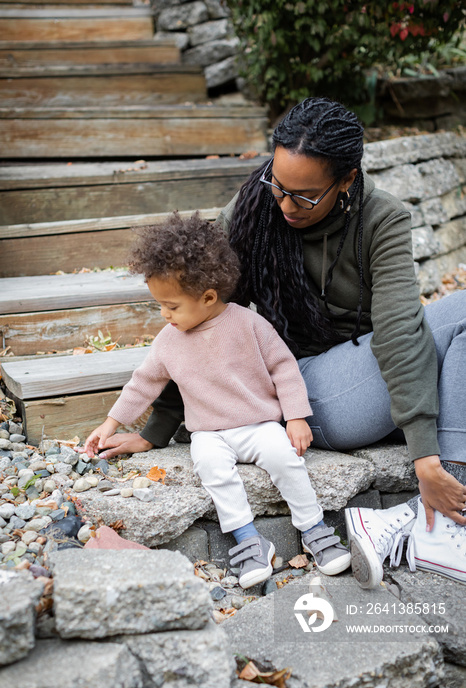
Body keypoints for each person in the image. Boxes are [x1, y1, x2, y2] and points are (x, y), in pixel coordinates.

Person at [96, 97, 466, 588]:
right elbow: (192, 318)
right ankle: (438, 517)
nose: (285, 204)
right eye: (278, 183)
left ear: (347, 180)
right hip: (300, 398)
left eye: (306, 196)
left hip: (358, 375)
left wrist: (424, 454)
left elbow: (399, 330)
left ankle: (444, 501)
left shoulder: (382, 219)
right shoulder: (253, 208)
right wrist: (156, 428)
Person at [82, 212, 351, 588]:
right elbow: (142, 384)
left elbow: (284, 369)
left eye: (171, 306)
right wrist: (110, 423)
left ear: (208, 297)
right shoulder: (168, 341)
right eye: (159, 304)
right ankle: (249, 540)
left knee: (284, 459)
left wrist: (296, 417)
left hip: (259, 425)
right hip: (209, 433)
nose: (164, 314)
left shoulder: (249, 324)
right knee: (211, 468)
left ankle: (314, 528)